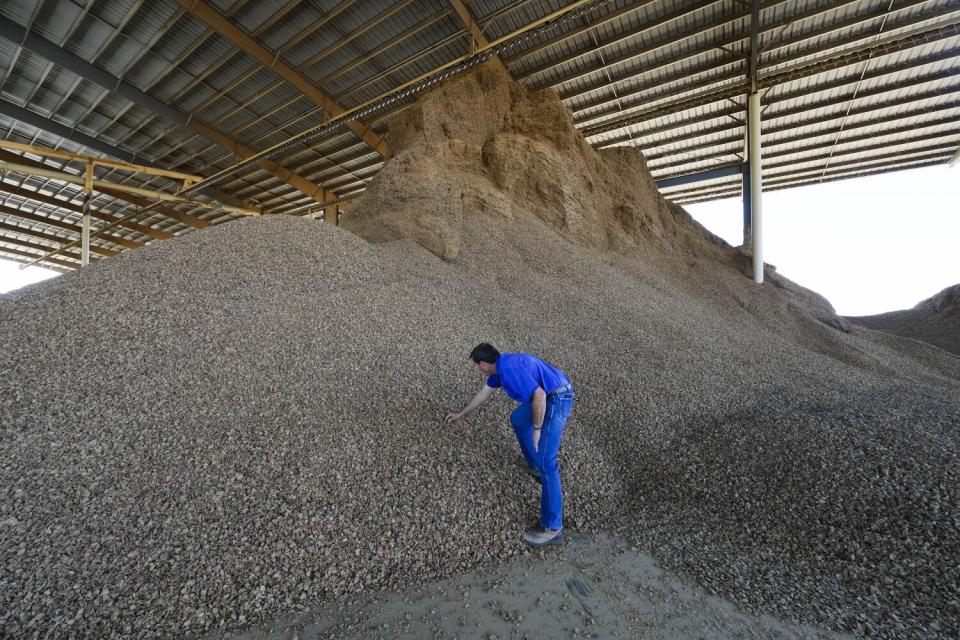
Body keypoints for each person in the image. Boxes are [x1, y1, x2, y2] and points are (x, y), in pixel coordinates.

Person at [445, 343, 574, 548]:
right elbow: (483, 394)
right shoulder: (499, 369)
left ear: (485, 364)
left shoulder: (510, 369)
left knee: (547, 462)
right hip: (548, 394)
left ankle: (553, 529)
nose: (476, 369)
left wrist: (538, 429)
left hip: (557, 397)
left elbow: (539, 395)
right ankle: (534, 466)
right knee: (517, 420)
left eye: (476, 365)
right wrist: (462, 413)